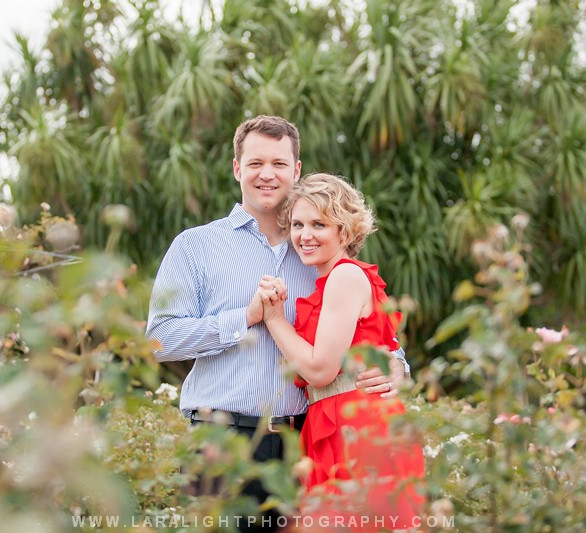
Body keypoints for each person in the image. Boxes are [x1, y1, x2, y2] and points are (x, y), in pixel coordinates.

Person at [146, 116, 409, 531]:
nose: (267, 174)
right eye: (255, 163)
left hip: (304, 445)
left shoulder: (318, 247)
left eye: (279, 164)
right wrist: (245, 318)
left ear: (296, 170)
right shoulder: (195, 246)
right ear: (237, 168)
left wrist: (398, 366)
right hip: (221, 443)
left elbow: (367, 327)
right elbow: (158, 340)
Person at [254, 173, 425, 530]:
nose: (305, 235)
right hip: (334, 420)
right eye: (298, 224)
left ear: (344, 232)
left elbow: (320, 370)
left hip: (355, 425)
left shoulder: (344, 277)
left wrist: (274, 319)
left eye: (319, 224)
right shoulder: (332, 280)